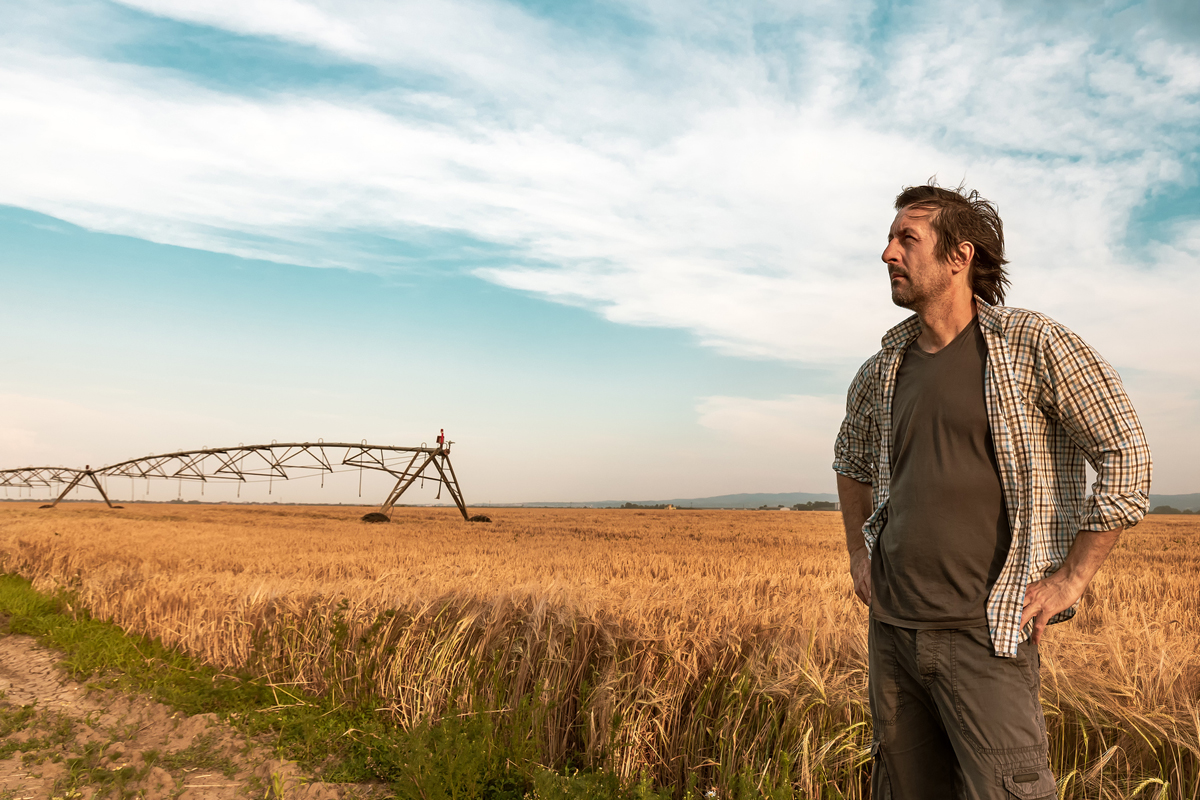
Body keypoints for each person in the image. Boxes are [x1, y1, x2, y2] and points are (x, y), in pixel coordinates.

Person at [832, 182, 1151, 799]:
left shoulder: (1031, 345)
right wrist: (858, 553)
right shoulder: (883, 367)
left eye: (907, 239)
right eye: (890, 238)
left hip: (986, 637)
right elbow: (849, 460)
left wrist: (1071, 579)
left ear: (960, 257)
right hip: (893, 635)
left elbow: (1125, 453)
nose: (887, 253)